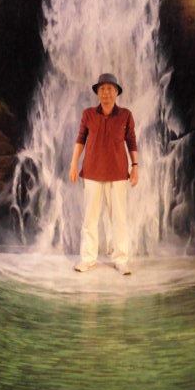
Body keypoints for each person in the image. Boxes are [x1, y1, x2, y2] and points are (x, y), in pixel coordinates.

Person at [69, 73, 138, 275]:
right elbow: (80, 140)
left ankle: (121, 259)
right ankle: (87, 258)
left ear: (116, 92)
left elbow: (131, 141)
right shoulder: (88, 114)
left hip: (118, 173)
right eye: (102, 89)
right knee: (90, 218)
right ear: (97, 93)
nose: (106, 92)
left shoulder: (125, 115)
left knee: (119, 218)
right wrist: (73, 164)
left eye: (110, 89)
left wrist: (135, 165)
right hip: (92, 172)